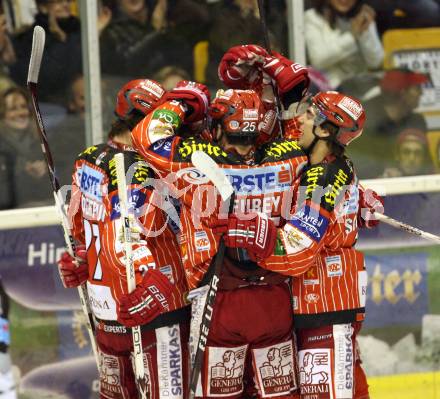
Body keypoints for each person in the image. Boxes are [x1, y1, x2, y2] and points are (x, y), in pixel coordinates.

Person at [130, 47, 310, 397]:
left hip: (221, 299)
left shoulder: (195, 159)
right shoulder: (287, 157)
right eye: (237, 138)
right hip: (264, 296)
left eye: (248, 139)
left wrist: (185, 96)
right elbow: (299, 126)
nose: (243, 148)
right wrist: (275, 76)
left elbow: (146, 137)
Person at [217, 90, 382, 399]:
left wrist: (258, 236)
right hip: (327, 304)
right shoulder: (331, 167)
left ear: (324, 129)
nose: (299, 122)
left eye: (308, 116)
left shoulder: (320, 178)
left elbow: (298, 249)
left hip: (326, 307)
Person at [57, 78, 190, 399]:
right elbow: (126, 234)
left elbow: (79, 226)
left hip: (107, 312)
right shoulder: (137, 168)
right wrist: (150, 280)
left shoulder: (87, 159)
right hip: (153, 307)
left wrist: (82, 258)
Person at [348, 67, 429, 178]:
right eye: (417, 88)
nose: (421, 93)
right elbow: (356, 165)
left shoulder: (416, 122)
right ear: (402, 93)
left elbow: (426, 166)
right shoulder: (363, 123)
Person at [10, 0, 82, 103]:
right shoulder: (30, 37)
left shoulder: (79, 30)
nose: (65, 5)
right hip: (47, 105)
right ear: (43, 7)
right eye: (58, 2)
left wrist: (63, 38)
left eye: (68, 1)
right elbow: (47, 76)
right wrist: (62, 43)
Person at [305, 0, 384, 89]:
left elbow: (375, 62)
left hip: (361, 86)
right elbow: (318, 60)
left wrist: (364, 34)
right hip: (329, 87)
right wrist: (352, 36)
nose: (344, 0)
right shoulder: (313, 17)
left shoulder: (361, 16)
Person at [0, 86, 52, 208]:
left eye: (23, 107)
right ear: (2, 114)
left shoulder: (42, 141)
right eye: (13, 109)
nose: (20, 113)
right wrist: (24, 172)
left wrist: (45, 172)